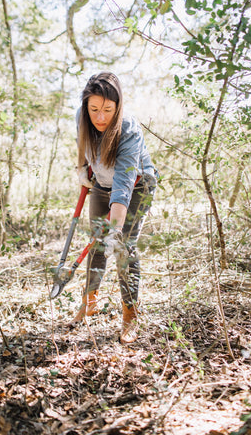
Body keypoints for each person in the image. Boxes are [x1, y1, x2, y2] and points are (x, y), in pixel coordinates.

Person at [69, 72, 157, 344]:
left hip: (136, 186)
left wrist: (114, 228)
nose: (100, 117)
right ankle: (90, 302)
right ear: (86, 106)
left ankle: (131, 315)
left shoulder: (129, 129)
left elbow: (124, 184)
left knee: (121, 246)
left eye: (108, 110)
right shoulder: (81, 118)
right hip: (100, 182)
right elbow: (82, 145)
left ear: (118, 107)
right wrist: (83, 168)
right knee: (96, 244)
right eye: (94, 109)